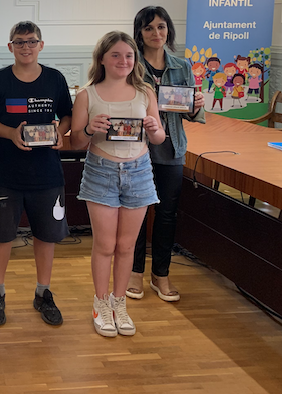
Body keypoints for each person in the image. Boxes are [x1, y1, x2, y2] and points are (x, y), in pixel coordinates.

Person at [70, 31, 166, 338]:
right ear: (102, 58)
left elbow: (159, 138)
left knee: (127, 246)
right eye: (115, 55)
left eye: (129, 55)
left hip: (139, 172)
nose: (123, 61)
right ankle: (100, 304)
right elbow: (75, 142)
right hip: (101, 172)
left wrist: (154, 128)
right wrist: (89, 129)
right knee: (105, 245)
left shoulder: (145, 92)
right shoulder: (87, 95)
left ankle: (119, 302)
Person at [0, 21, 72, 327]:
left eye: (31, 41)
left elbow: (67, 115)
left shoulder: (55, 79)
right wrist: (11, 133)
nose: (26, 47)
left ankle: (43, 292)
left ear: (41, 45)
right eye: (19, 42)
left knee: (46, 236)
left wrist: (60, 132)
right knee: (2, 236)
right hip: (6, 173)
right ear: (10, 47)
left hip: (47, 174)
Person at [127, 7, 205, 302]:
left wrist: (195, 105)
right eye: (149, 28)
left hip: (172, 149)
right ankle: (134, 272)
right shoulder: (131, 64)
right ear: (139, 33)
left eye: (161, 27)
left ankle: (161, 274)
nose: (156, 33)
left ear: (168, 30)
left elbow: (189, 113)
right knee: (136, 212)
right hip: (137, 149)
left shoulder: (182, 66)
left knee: (167, 214)